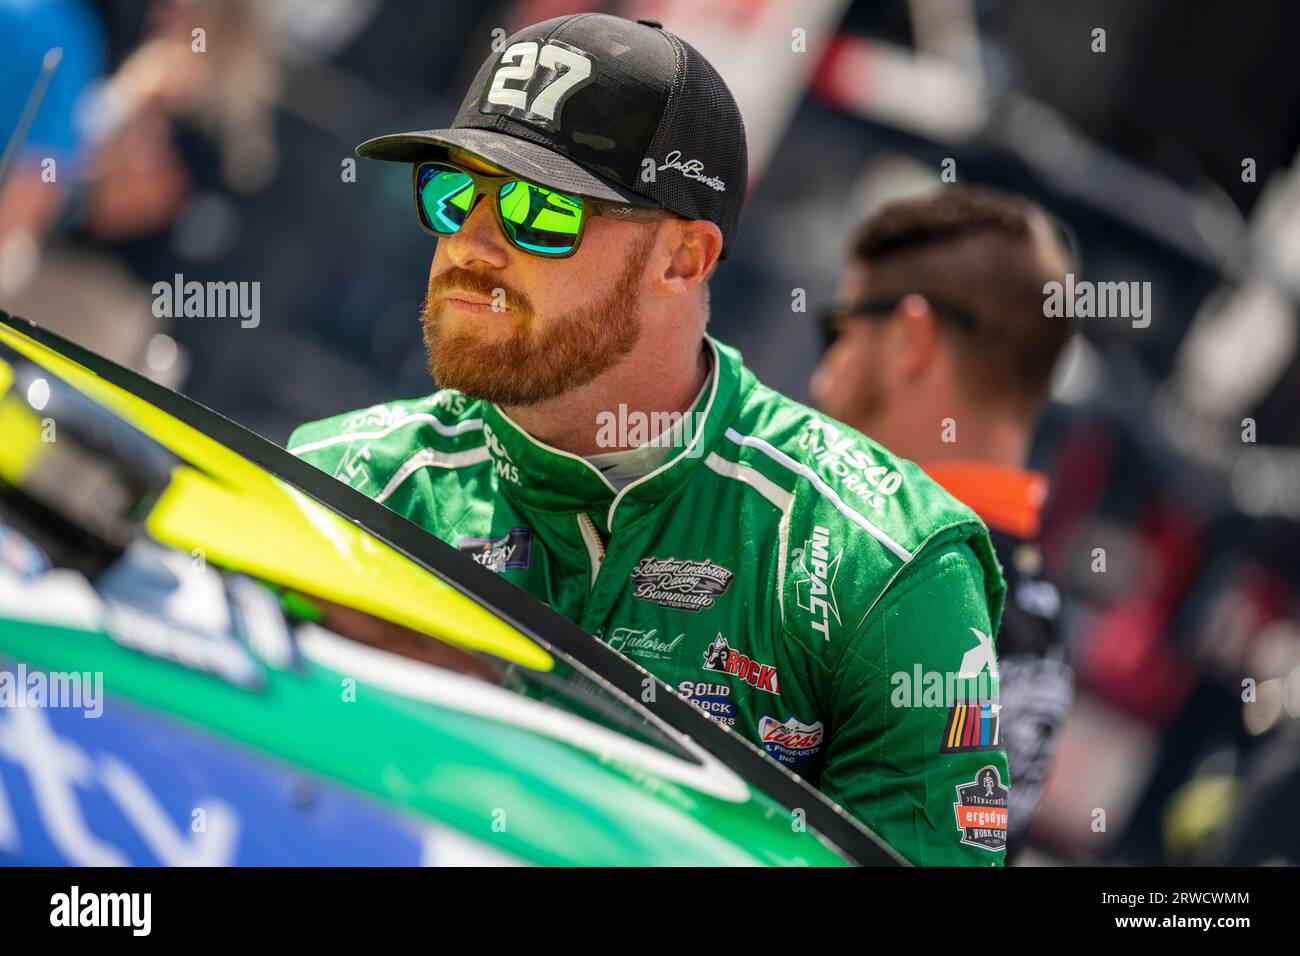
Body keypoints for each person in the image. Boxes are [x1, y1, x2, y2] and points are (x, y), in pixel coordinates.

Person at [289, 14, 1009, 865]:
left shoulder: (881, 562)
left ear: (682, 259)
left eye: (537, 209)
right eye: (453, 193)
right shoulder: (343, 485)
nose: (471, 247)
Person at [810, 186, 1076, 857]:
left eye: (837, 333)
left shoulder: (857, 567)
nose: (821, 380)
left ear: (910, 338)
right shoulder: (1040, 615)